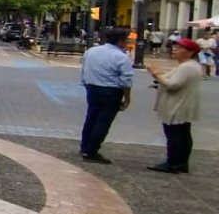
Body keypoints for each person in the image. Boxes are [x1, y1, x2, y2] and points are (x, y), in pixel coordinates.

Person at [147, 38, 203, 174]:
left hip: (177, 104)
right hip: (182, 103)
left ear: (190, 53)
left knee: (175, 134)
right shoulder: (188, 66)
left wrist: (156, 74)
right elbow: (172, 80)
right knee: (182, 133)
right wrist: (158, 82)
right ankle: (181, 162)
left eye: (179, 48)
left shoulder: (187, 67)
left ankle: (173, 163)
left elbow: (173, 84)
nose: (174, 50)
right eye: (175, 47)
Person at [78, 28, 135, 164]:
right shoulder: (121, 57)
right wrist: (127, 98)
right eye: (126, 39)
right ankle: (91, 150)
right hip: (111, 90)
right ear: (120, 40)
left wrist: (86, 84)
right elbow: (126, 81)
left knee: (91, 118)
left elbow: (84, 69)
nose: (127, 42)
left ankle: (85, 146)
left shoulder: (91, 51)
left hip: (93, 88)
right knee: (103, 121)